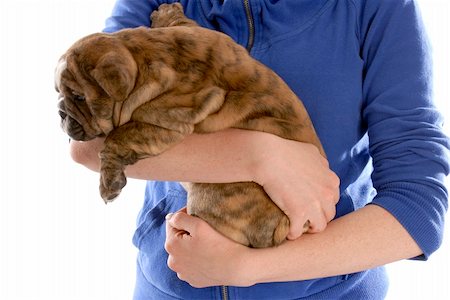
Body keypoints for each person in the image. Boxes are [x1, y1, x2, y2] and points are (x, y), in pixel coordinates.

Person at [70, 0, 450, 299]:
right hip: (165, 288)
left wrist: (246, 267)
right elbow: (89, 141)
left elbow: (416, 209)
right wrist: (260, 157)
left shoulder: (378, 7)